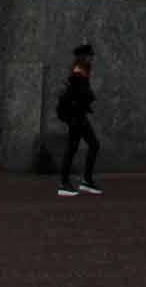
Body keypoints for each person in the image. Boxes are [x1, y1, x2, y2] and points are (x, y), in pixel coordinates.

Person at [57, 42, 102, 196]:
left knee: (78, 147)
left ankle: (82, 181)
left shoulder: (81, 70)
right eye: (90, 55)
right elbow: (80, 96)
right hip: (77, 116)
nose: (92, 58)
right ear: (84, 56)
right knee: (84, 146)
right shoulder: (79, 72)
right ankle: (66, 183)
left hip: (78, 116)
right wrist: (89, 97)